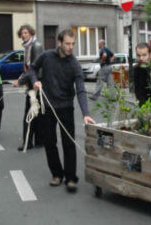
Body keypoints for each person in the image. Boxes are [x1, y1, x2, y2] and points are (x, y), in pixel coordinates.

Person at [29, 29, 95, 193]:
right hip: (47, 107)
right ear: (59, 43)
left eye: (73, 44)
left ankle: (71, 178)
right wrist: (35, 81)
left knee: (69, 143)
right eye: (67, 43)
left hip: (66, 107)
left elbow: (80, 89)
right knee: (50, 143)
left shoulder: (74, 64)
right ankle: (57, 174)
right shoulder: (47, 56)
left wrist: (86, 113)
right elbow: (32, 68)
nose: (70, 47)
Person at [14, 24, 44, 151]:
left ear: (31, 33)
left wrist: (20, 81)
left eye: (26, 32)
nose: (23, 35)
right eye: (22, 33)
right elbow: (28, 67)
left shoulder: (35, 46)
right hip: (33, 82)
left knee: (30, 112)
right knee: (36, 112)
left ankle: (30, 142)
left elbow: (34, 68)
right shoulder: (28, 47)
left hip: (36, 83)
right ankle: (37, 141)